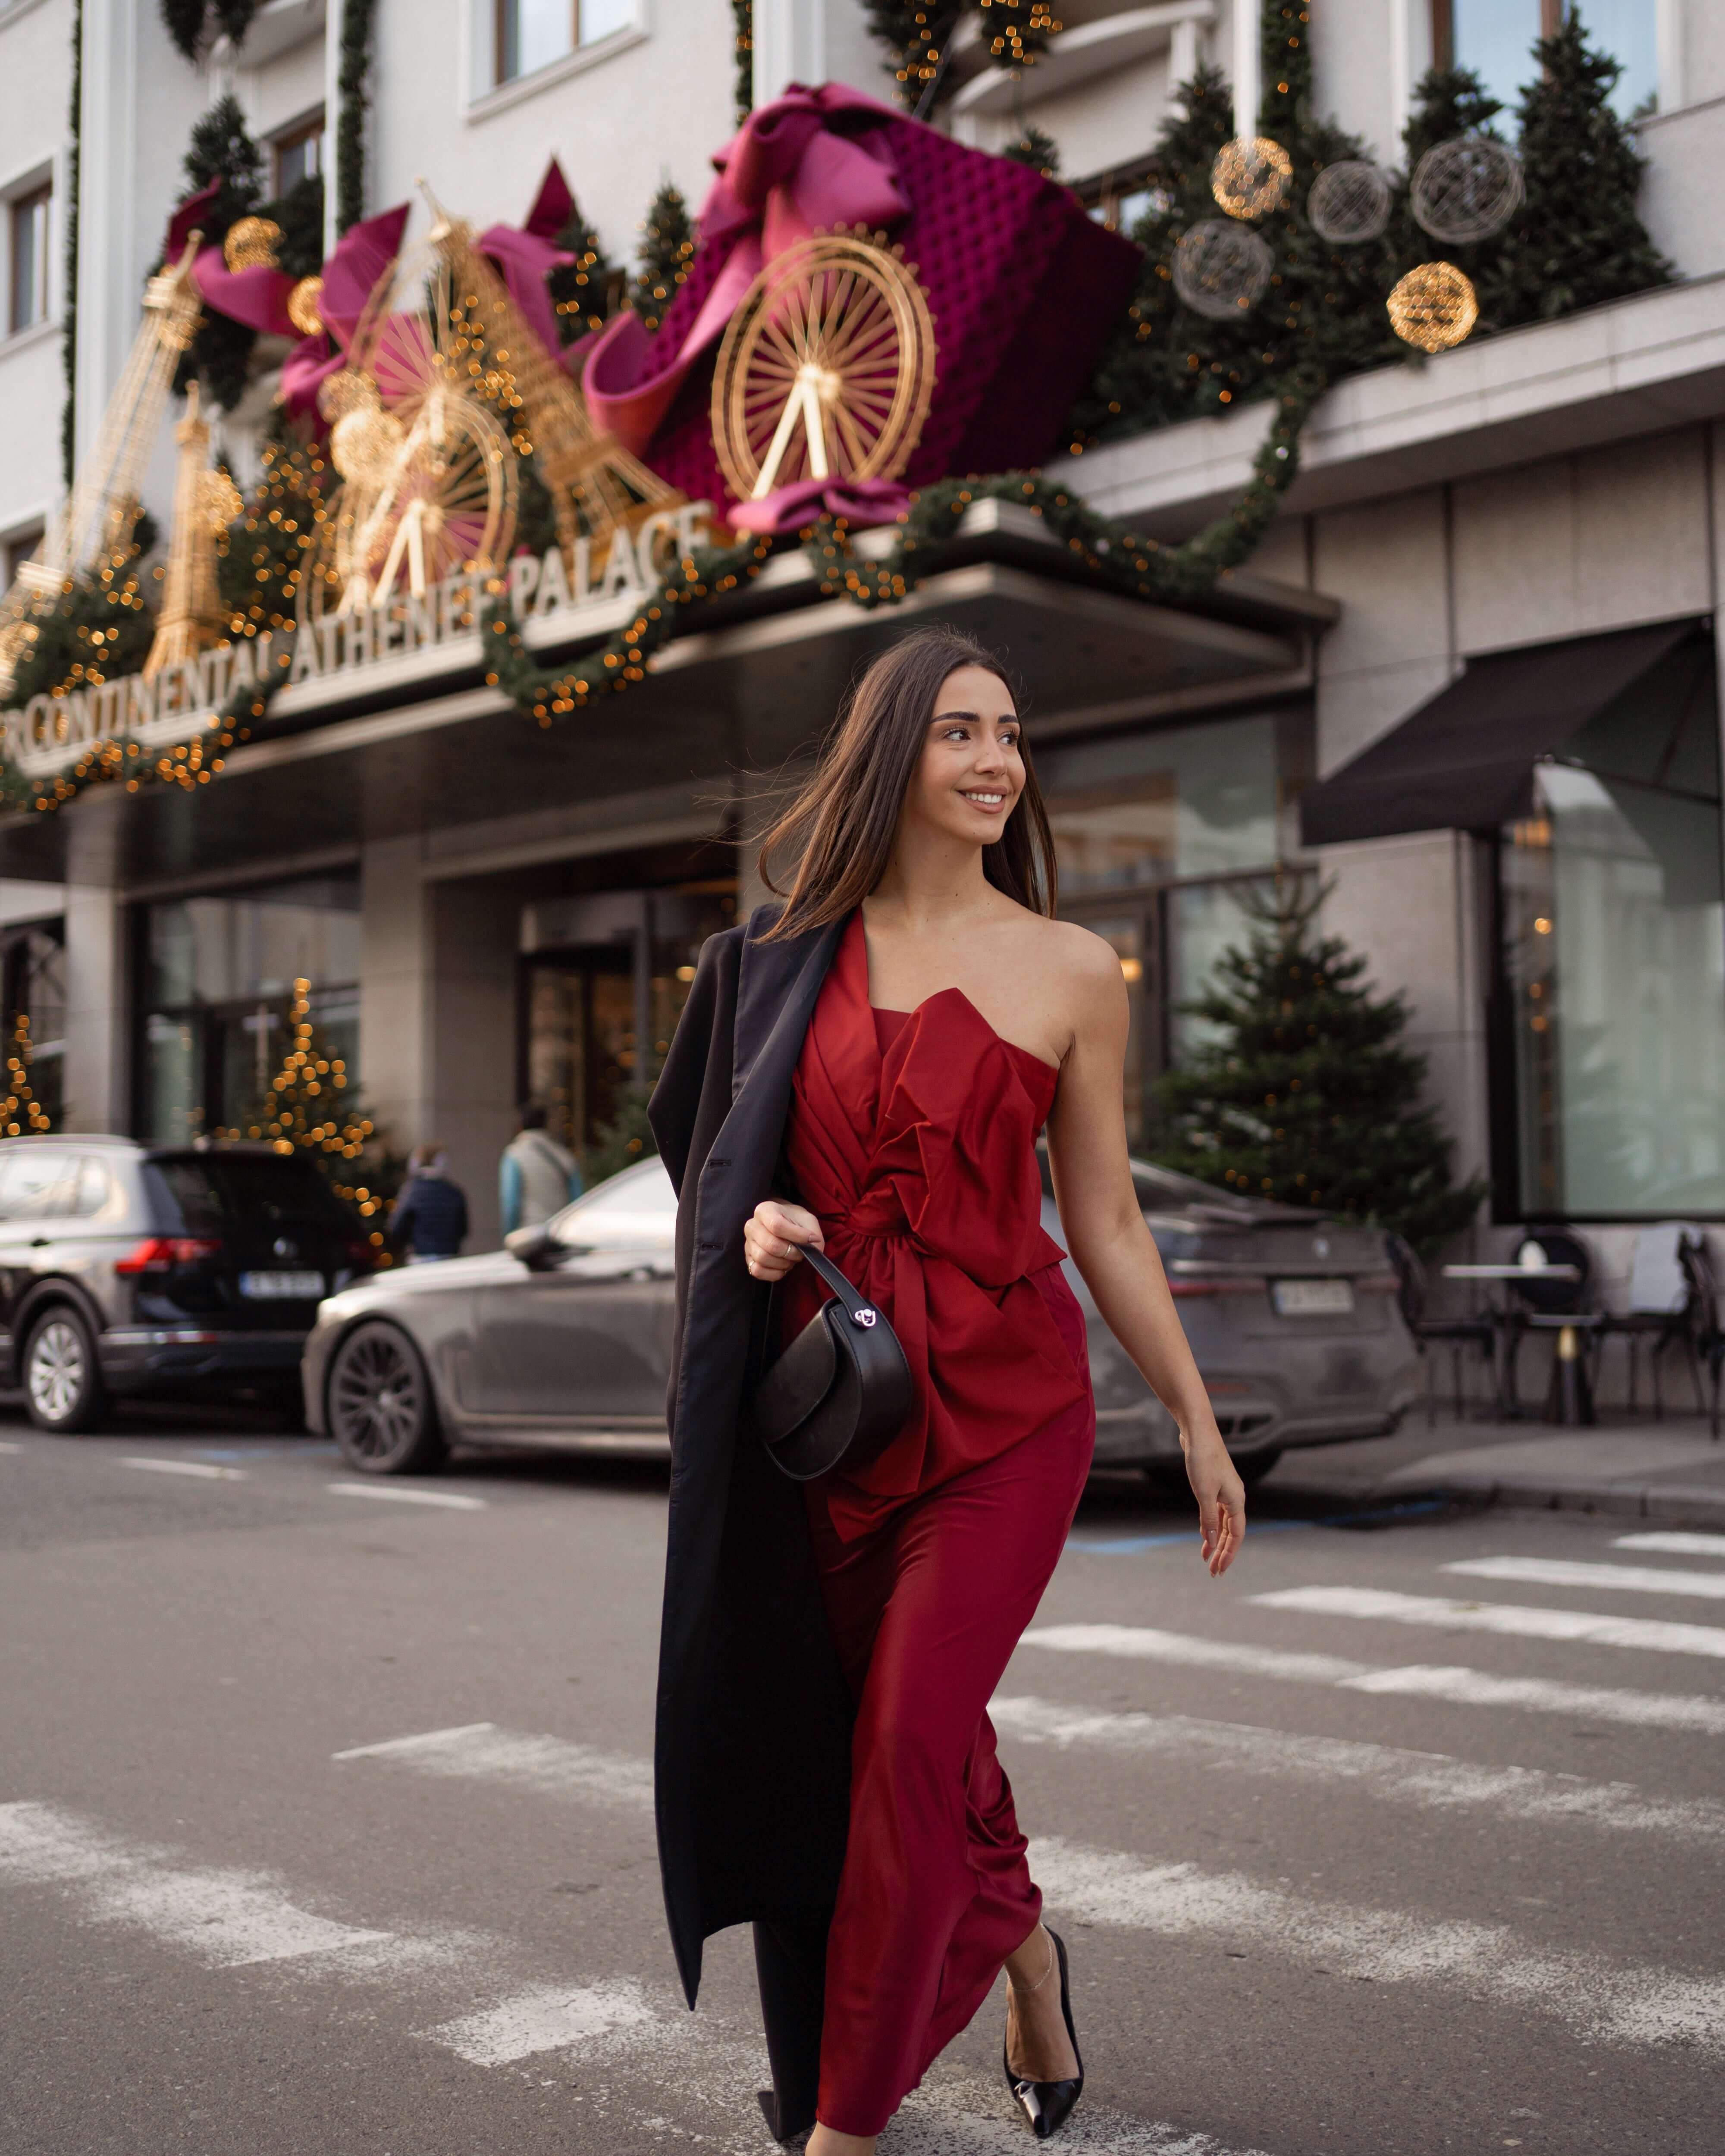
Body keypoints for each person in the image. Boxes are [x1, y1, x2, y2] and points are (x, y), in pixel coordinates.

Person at [646, 627, 1246, 2153]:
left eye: (1013, 734)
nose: (997, 761)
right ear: (894, 753)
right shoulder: (780, 957)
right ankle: (1029, 1955)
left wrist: (1192, 1415)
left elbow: (1104, 1217)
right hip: (840, 1416)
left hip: (1011, 1414)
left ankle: (845, 2127)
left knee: (912, 1737)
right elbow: (718, 1173)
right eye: (962, 732)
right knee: (906, 1740)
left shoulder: (1070, 967)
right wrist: (765, 1224)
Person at [499, 1100, 583, 1236]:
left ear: (520, 1126)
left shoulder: (514, 1155)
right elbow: (578, 1201)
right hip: (561, 1233)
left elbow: (511, 1205)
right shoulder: (565, 1156)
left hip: (529, 1234)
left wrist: (510, 1235)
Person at [389, 1143, 469, 1263]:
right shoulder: (455, 1192)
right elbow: (463, 1229)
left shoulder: (410, 1192)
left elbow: (397, 1227)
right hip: (451, 1259)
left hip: (419, 1259)